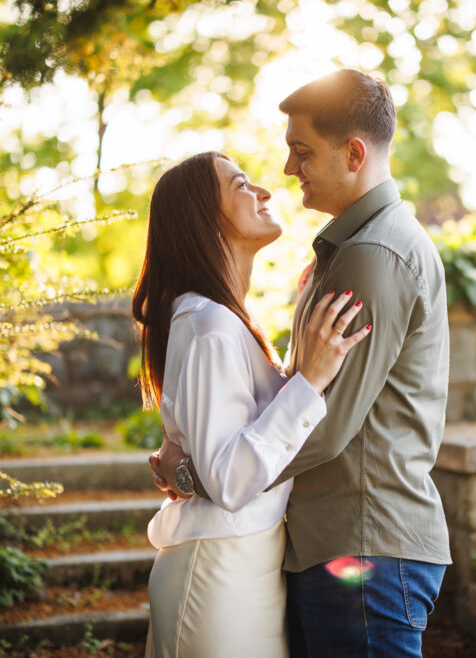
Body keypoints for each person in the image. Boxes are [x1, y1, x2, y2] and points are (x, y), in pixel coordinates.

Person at [152, 69, 452, 657]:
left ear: (355, 153)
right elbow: (295, 404)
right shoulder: (346, 255)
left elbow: (322, 424)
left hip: (363, 543)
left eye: (302, 152)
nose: (288, 171)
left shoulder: (371, 257)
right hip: (342, 542)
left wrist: (200, 475)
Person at [132, 151, 371, 658]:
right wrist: (308, 382)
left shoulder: (222, 321)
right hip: (218, 571)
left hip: (246, 560)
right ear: (204, 219)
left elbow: (224, 452)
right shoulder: (208, 324)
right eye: (242, 184)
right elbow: (232, 479)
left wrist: (187, 471)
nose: (264, 190)